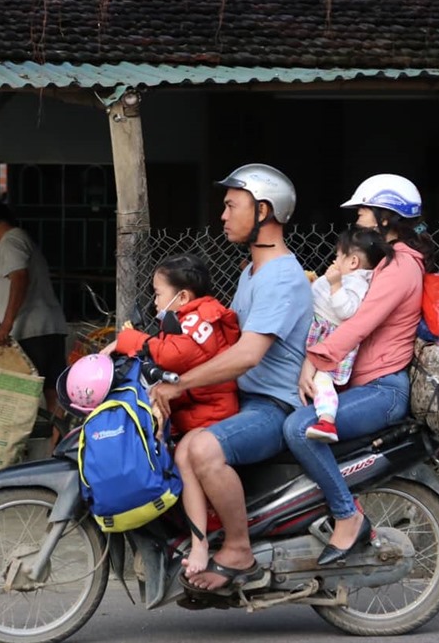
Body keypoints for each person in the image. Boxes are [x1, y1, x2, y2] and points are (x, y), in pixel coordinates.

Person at [149, 163, 312, 590]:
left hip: (272, 405)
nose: (223, 216)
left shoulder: (281, 277)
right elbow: (220, 339)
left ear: (263, 210)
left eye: (230, 205)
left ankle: (239, 550)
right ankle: (200, 544)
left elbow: (246, 354)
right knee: (181, 447)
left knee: (201, 448)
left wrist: (181, 384)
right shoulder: (252, 270)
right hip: (244, 398)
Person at [283, 173, 435, 566]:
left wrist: (315, 360)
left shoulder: (401, 266)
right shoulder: (386, 263)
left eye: (365, 211)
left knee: (299, 429)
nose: (359, 219)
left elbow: (359, 323)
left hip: (383, 391)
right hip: (365, 385)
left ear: (387, 216)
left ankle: (347, 516)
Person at [100, 252, 241, 574]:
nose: (154, 301)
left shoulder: (202, 317)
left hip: (211, 413)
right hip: (195, 408)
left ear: (183, 296)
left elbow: (177, 355)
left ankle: (202, 539)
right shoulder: (182, 318)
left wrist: (129, 339)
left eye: (158, 293)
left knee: (180, 460)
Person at [0, 201, 68, 430]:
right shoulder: (23, 239)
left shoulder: (10, 242)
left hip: (30, 332)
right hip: (50, 328)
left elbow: (19, 277)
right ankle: (57, 451)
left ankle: (17, 456)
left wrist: (6, 325)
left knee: (17, 397)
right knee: (53, 394)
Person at [303, 227, 392, 443]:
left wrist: (334, 284)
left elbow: (346, 310)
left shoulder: (357, 283)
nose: (334, 261)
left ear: (353, 262)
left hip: (331, 342)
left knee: (322, 380)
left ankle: (326, 421)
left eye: (337, 256)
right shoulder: (348, 279)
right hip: (320, 332)